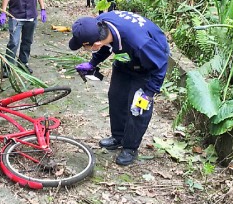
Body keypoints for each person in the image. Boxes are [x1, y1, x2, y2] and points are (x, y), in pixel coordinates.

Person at [69, 10, 169, 166]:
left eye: (84, 46)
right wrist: (93, 63)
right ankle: (118, 137)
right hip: (126, 59)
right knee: (116, 96)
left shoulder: (140, 43)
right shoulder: (101, 23)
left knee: (138, 108)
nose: (84, 48)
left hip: (149, 62)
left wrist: (149, 93)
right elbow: (105, 46)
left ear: (94, 44)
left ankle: (130, 148)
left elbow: (160, 64)